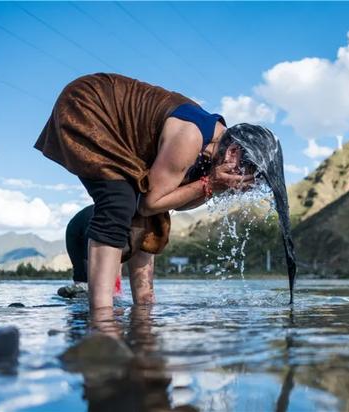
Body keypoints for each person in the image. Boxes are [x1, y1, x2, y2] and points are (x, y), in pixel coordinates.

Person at [35, 73, 263, 309]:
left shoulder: (211, 148)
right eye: (242, 172)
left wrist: (213, 187)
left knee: (155, 221)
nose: (238, 182)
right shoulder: (191, 136)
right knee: (119, 201)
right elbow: (150, 202)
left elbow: (172, 203)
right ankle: (102, 315)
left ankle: (144, 306)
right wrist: (211, 184)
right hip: (89, 103)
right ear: (233, 153)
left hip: (119, 130)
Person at [63, 205, 123, 299]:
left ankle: (81, 294)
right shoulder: (115, 217)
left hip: (76, 225)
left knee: (85, 279)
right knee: (90, 278)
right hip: (80, 228)